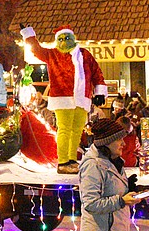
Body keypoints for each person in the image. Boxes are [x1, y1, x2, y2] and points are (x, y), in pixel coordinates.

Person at [20, 26, 107, 174]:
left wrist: (99, 91)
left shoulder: (84, 55)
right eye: (60, 39)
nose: (64, 41)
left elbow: (96, 72)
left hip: (82, 98)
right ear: (56, 41)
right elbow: (37, 49)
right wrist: (29, 35)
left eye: (67, 38)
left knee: (77, 130)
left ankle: (72, 160)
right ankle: (63, 161)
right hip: (62, 97)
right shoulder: (53, 54)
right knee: (65, 129)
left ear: (73, 39)